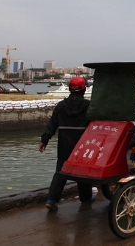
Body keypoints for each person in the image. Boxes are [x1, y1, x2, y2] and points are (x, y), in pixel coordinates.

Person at [39, 76, 93, 211]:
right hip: (82, 144)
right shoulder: (88, 106)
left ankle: (51, 199)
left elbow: (52, 124)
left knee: (61, 171)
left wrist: (44, 140)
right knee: (82, 171)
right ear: (84, 89)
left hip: (64, 144)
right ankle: (85, 197)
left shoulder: (61, 106)